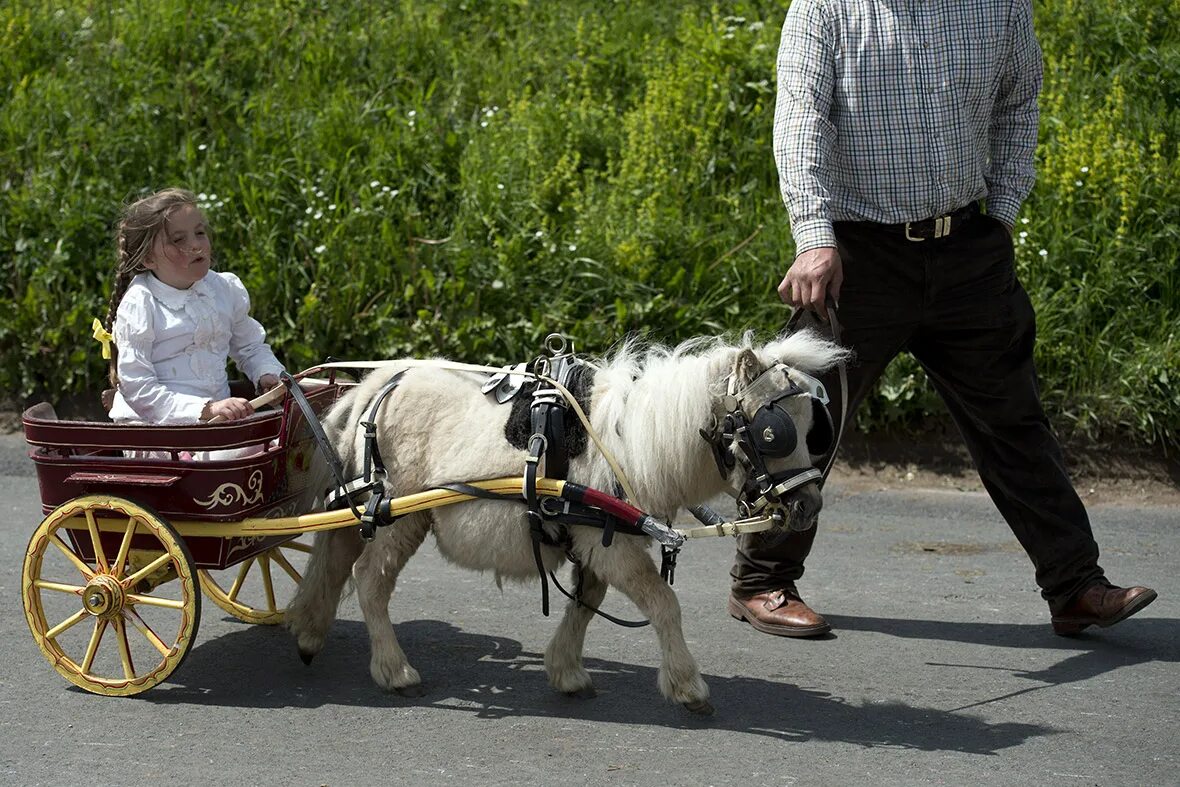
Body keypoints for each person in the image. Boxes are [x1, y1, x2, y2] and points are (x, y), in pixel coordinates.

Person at [729, 0, 1156, 638]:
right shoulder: (826, 9)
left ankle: (1075, 587)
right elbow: (799, 120)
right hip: (856, 256)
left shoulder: (1000, 5)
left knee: (1014, 420)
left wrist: (1003, 213)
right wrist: (814, 236)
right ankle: (760, 581)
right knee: (804, 416)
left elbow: (1018, 104)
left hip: (966, 250)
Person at [100, 187, 284, 436]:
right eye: (178, 240)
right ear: (147, 259)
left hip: (214, 426)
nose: (196, 245)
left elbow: (250, 346)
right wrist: (205, 409)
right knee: (250, 453)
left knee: (288, 443)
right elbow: (138, 387)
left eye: (199, 233)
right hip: (156, 433)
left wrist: (267, 374)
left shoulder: (222, 288)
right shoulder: (141, 304)